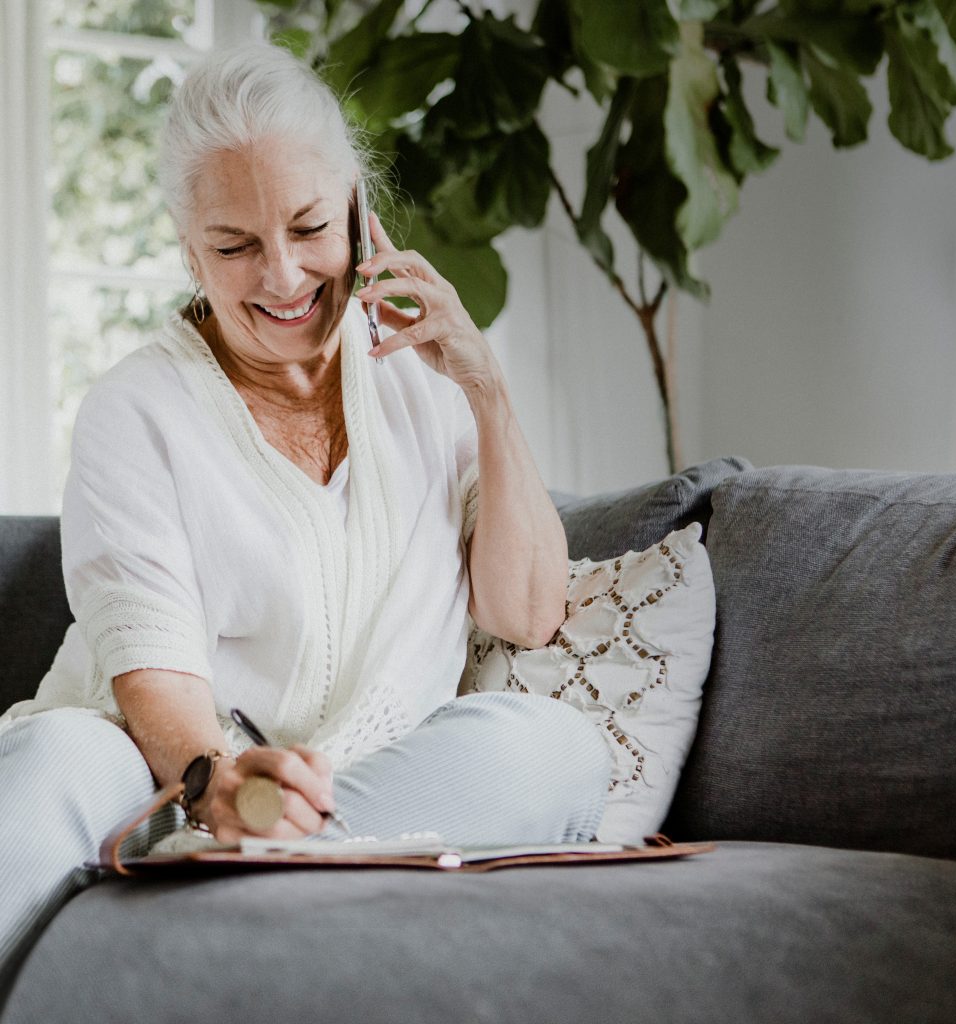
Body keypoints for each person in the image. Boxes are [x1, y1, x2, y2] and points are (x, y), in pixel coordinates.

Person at [0, 42, 610, 995]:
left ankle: (216, 901)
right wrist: (228, 788)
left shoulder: (427, 381)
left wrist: (485, 387)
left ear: (360, 210)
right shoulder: (134, 410)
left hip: (362, 789)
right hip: (165, 788)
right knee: (51, 757)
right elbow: (155, 682)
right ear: (188, 247)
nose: (282, 277)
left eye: (311, 227)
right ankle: (228, 878)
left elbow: (527, 613)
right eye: (234, 246)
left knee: (551, 746)